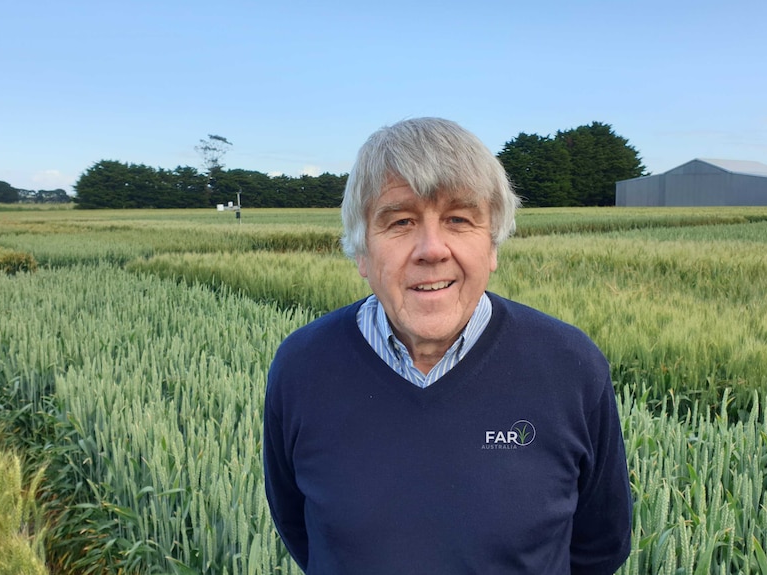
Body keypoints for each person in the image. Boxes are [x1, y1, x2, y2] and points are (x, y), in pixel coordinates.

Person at [264, 117, 632, 574]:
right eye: (400, 222)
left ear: (492, 245)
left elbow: (600, 546)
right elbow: (302, 531)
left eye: (459, 219)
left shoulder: (571, 367)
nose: (431, 249)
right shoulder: (302, 368)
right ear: (361, 251)